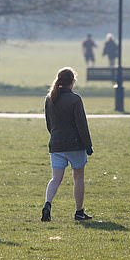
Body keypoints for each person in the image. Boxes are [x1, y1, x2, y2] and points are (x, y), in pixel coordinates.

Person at [41, 67, 94, 222]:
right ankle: (79, 212)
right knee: (78, 177)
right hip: (75, 145)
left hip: (56, 144)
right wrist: (88, 145)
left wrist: (56, 136)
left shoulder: (50, 98)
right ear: (72, 82)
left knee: (55, 179)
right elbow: (81, 125)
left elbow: (49, 123)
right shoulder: (75, 99)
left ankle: (47, 204)